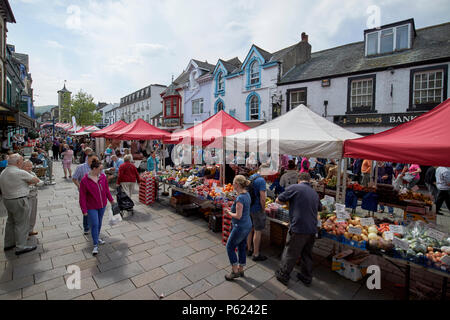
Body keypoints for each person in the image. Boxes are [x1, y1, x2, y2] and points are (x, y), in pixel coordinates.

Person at [275, 172, 322, 286]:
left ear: (298, 180)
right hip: (312, 228)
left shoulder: (295, 187)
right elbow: (320, 208)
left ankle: (283, 275)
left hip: (299, 226)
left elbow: (278, 200)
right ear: (309, 181)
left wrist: (290, 202)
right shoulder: (314, 193)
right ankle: (306, 277)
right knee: (307, 253)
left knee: (291, 251)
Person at [0, 154, 40, 255]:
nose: (22, 162)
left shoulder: (4, 172)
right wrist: (28, 183)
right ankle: (21, 246)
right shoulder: (19, 172)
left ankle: (9, 243)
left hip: (7, 199)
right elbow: (36, 180)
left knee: (11, 221)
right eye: (22, 161)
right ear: (18, 162)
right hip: (18, 200)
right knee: (21, 223)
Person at [79, 158, 115, 256]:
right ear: (94, 169)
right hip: (91, 207)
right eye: (100, 169)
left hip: (102, 205)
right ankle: (95, 244)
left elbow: (107, 190)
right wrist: (84, 209)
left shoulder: (102, 177)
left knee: (99, 224)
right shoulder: (84, 181)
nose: (102, 171)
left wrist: (111, 200)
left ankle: (97, 237)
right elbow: (82, 196)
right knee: (94, 224)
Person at [224, 175, 253, 281]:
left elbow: (238, 216)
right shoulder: (247, 194)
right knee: (241, 246)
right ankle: (241, 269)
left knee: (230, 246)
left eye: (233, 182)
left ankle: (234, 271)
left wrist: (228, 212)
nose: (232, 184)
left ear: (237, 184)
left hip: (240, 227)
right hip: (247, 225)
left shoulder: (240, 198)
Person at [247, 164, 268, 262]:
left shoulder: (252, 177)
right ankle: (256, 254)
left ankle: (249, 249)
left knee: (250, 229)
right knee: (257, 231)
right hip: (257, 209)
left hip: (249, 207)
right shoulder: (261, 181)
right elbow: (263, 198)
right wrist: (263, 209)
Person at [73, 153, 97, 235]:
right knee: (86, 209)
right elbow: (74, 178)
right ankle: (86, 227)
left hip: (96, 192)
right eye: (93, 160)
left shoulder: (97, 166)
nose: (95, 161)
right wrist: (80, 187)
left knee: (94, 209)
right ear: (88, 159)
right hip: (85, 193)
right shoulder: (81, 167)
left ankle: (93, 225)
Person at [22, 160, 43, 236]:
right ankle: (24, 233)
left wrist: (34, 183)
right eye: (27, 166)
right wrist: (34, 184)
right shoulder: (22, 175)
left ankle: (30, 230)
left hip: (34, 195)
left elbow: (41, 182)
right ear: (22, 167)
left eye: (30, 166)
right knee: (26, 215)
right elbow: (24, 187)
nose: (29, 168)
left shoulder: (32, 173)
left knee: (33, 214)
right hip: (27, 197)